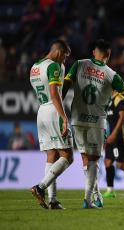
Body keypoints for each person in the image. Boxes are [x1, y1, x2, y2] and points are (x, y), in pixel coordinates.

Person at [62, 39, 124, 209]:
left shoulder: (79, 64)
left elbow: (64, 87)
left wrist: (60, 113)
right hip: (97, 122)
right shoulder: (111, 75)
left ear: (93, 52)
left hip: (78, 120)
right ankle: (89, 199)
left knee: (87, 160)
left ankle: (98, 194)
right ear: (109, 55)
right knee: (95, 161)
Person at [30, 40, 74, 210]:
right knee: (68, 156)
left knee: (52, 156)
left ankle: (53, 201)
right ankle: (40, 187)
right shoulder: (53, 66)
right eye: (64, 57)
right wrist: (64, 117)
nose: (64, 61)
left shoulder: (34, 67)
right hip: (53, 111)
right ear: (59, 51)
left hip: (41, 112)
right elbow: (55, 94)